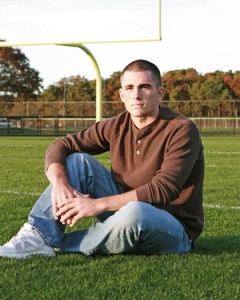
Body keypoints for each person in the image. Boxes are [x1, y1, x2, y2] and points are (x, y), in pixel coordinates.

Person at [0, 59, 204, 259]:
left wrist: (97, 205)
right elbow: (61, 145)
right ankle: (37, 236)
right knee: (78, 162)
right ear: (122, 95)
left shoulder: (182, 129)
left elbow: (163, 189)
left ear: (159, 93)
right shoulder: (115, 125)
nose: (137, 95)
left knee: (136, 213)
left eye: (145, 87)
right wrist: (59, 182)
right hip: (122, 209)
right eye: (130, 88)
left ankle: (62, 243)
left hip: (172, 227)